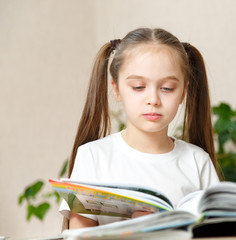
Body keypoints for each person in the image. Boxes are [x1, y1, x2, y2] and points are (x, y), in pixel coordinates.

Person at [59, 27, 222, 230]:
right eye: (138, 87)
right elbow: (78, 236)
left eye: (167, 88)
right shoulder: (93, 157)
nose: (153, 100)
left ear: (183, 92)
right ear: (116, 89)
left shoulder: (197, 161)